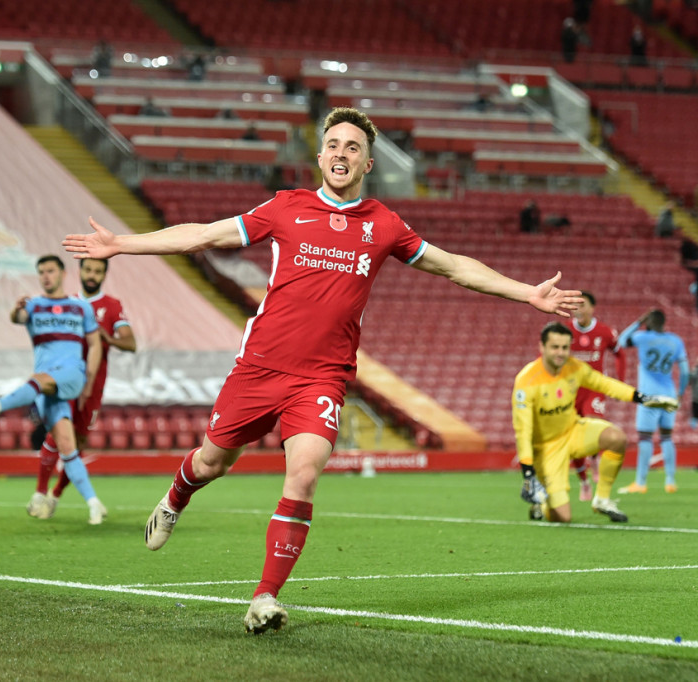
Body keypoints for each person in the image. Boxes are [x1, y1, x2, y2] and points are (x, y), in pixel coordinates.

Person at [63, 106, 583, 634]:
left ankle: (264, 597)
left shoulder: (384, 225)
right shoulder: (286, 208)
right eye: (333, 144)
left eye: (353, 147)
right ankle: (176, 496)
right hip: (259, 368)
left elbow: (453, 266)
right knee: (212, 461)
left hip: (322, 377)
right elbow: (203, 235)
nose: (341, 153)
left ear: (368, 163)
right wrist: (122, 244)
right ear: (319, 157)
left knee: (305, 472)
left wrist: (527, 292)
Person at [0, 255, 107, 525]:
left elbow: (95, 345)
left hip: (71, 374)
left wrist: (89, 381)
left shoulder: (81, 307)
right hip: (45, 385)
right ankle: (93, 503)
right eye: (41, 272)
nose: (46, 276)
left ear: (62, 274)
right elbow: (18, 317)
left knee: (39, 379)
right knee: (66, 446)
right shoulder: (34, 305)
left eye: (50, 271)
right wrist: (16, 310)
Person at [514, 322, 678, 524]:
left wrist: (643, 398)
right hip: (546, 449)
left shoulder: (574, 368)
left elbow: (604, 383)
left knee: (616, 438)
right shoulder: (527, 380)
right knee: (562, 518)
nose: (561, 353)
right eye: (555, 347)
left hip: (572, 430)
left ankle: (602, 500)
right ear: (542, 347)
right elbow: (523, 430)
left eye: (565, 347)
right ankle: (542, 503)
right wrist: (528, 472)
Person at [28, 257, 136, 519]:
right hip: (66, 381)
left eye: (97, 271)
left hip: (94, 387)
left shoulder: (112, 306)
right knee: (56, 435)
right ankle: (39, 493)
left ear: (104, 275)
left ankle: (54, 495)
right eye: (88, 269)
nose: (92, 275)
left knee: (78, 442)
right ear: (79, 271)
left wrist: (106, 338)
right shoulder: (67, 304)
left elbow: (130, 343)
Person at [614, 309, 689, 494]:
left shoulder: (642, 337)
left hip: (649, 396)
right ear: (664, 322)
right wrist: (680, 393)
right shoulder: (675, 340)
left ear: (648, 322)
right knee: (667, 437)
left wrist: (638, 322)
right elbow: (685, 371)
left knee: (645, 438)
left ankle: (640, 482)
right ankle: (670, 481)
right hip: (669, 394)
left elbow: (621, 340)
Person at [568, 291, 625, 500]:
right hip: (570, 391)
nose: (578, 309)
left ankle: (594, 459)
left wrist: (619, 381)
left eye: (582, 305)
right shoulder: (564, 331)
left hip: (594, 389)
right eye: (575, 305)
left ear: (592, 308)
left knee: (593, 424)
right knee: (573, 438)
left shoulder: (605, 332)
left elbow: (620, 354)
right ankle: (583, 481)